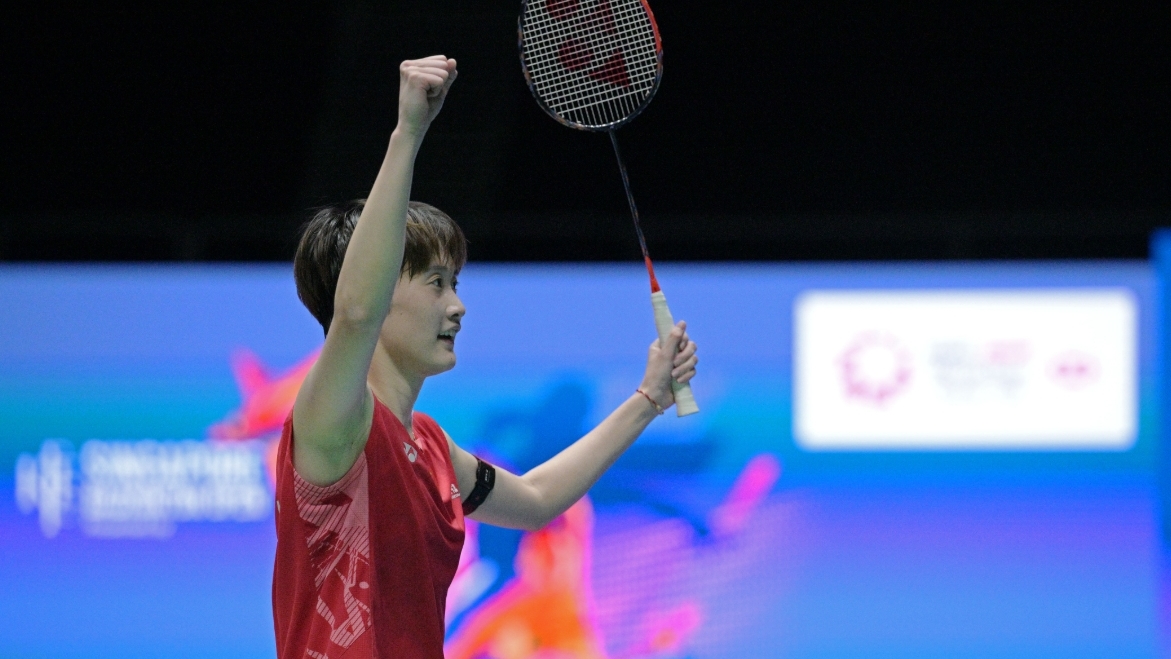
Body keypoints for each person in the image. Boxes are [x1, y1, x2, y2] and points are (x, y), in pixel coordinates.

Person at [271, 55, 698, 659]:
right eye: (436, 283)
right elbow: (357, 313)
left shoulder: (430, 447)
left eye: (456, 284)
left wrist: (649, 397)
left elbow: (535, 502)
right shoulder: (331, 422)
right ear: (378, 287)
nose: (457, 307)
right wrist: (408, 133)